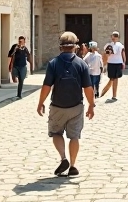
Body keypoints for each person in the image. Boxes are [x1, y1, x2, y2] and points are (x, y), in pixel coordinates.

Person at [37, 31, 95, 177]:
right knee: (74, 136)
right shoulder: (81, 64)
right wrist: (91, 105)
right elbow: (88, 87)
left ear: (60, 46)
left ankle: (63, 158)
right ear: (75, 46)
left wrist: (41, 102)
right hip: (76, 105)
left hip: (57, 106)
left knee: (56, 133)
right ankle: (73, 165)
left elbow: (46, 86)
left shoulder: (53, 63)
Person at [99, 31, 126, 101]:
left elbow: (123, 54)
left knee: (115, 79)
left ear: (118, 37)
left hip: (118, 63)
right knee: (111, 79)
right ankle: (103, 93)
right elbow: (106, 54)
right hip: (111, 63)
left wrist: (124, 62)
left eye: (116, 36)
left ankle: (114, 95)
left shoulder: (120, 45)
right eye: (113, 36)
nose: (114, 37)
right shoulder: (108, 45)